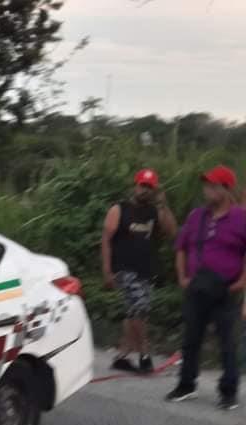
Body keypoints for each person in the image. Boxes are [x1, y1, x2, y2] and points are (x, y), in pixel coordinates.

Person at [167, 165, 246, 410]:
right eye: (206, 185)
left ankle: (228, 391)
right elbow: (181, 247)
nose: (207, 190)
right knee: (191, 339)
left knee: (227, 343)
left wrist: (242, 283)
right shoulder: (196, 217)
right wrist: (182, 277)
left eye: (213, 186)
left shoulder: (241, 218)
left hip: (225, 289)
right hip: (197, 287)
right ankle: (186, 385)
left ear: (226, 189)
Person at [101, 169, 177, 373]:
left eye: (149, 187)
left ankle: (122, 356)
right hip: (124, 269)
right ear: (135, 185)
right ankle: (144, 354)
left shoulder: (153, 211)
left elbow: (171, 231)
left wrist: (162, 203)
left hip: (145, 269)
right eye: (142, 185)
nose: (144, 190)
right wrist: (107, 269)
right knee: (140, 307)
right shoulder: (120, 209)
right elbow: (106, 240)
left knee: (135, 312)